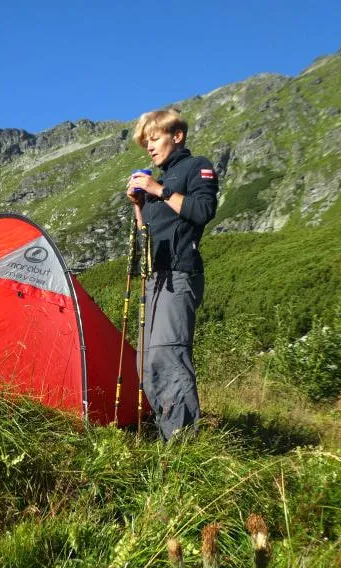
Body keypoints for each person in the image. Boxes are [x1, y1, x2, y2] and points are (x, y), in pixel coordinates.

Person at [125, 108, 218, 441]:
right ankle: (168, 435)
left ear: (177, 136)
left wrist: (158, 189)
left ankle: (184, 445)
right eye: (146, 143)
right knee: (145, 362)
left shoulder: (197, 167)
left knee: (168, 354)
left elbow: (203, 211)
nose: (150, 147)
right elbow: (146, 237)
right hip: (154, 278)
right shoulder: (159, 183)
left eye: (154, 139)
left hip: (180, 274)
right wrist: (139, 206)